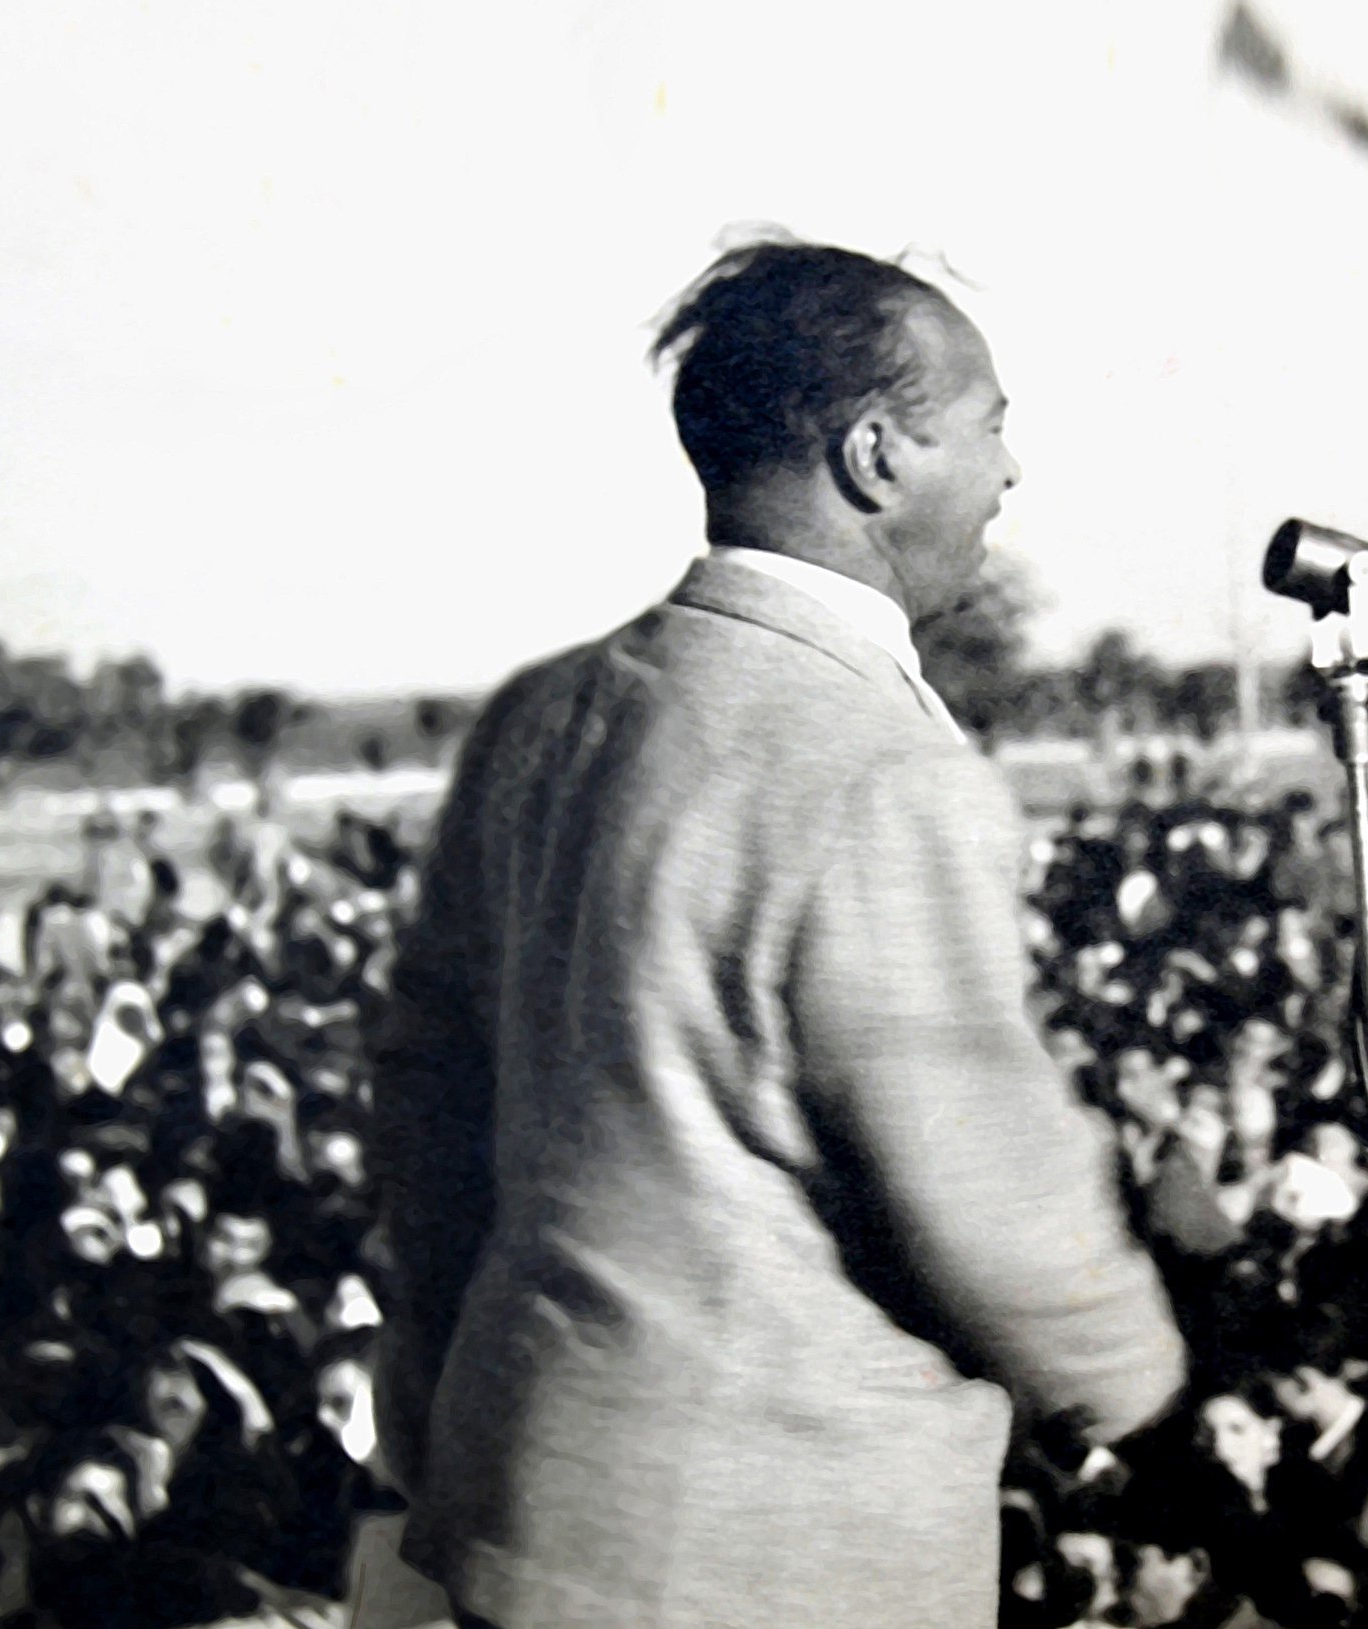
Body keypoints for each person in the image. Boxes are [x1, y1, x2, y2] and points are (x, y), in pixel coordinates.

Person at [369, 239, 1188, 1629]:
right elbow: (981, 1194)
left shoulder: (545, 719)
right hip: (773, 1552)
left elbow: (429, 1123)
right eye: (992, 426)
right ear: (877, 456)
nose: (1010, 474)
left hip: (531, 1512)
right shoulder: (877, 767)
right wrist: (1145, 1390)